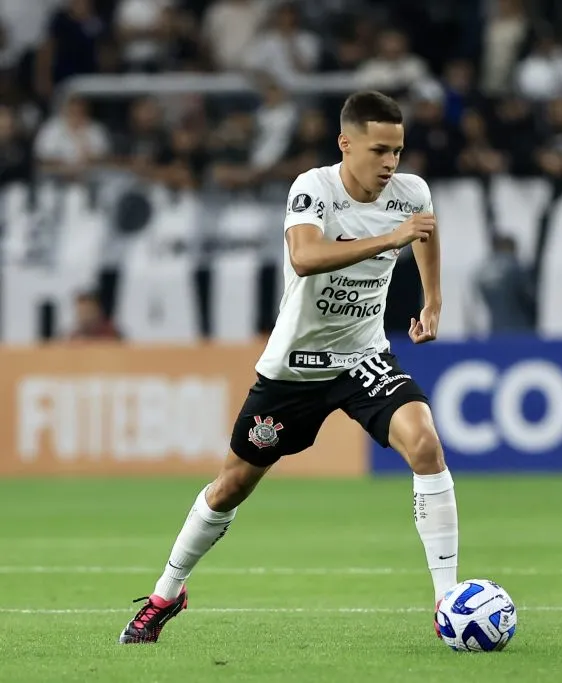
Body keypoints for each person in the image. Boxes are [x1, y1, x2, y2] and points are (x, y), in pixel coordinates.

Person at [118, 91, 457, 644]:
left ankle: (448, 600)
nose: (391, 163)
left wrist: (433, 301)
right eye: (379, 150)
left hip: (363, 357)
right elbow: (304, 257)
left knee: (424, 443)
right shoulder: (313, 188)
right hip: (294, 370)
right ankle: (167, 591)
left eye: (397, 150)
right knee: (230, 487)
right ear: (346, 144)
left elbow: (425, 231)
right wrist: (389, 238)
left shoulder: (410, 192)